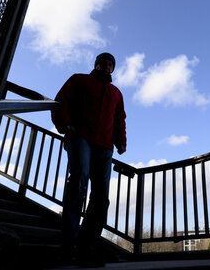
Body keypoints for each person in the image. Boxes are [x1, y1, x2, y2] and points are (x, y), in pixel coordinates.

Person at [51, 52, 126, 266]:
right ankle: (68, 243)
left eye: (111, 64)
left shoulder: (116, 93)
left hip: (104, 147)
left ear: (113, 69)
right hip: (80, 137)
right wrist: (65, 124)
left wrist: (121, 142)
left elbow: (119, 119)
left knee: (101, 196)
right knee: (79, 180)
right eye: (103, 62)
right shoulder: (79, 80)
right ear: (96, 65)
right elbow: (61, 101)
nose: (107, 66)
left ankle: (86, 245)